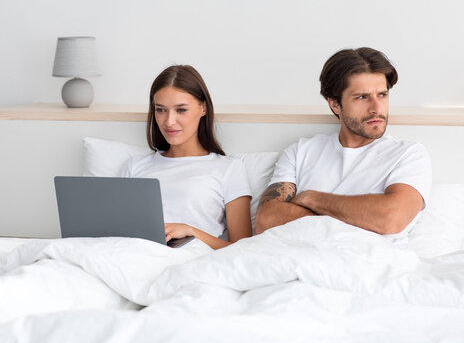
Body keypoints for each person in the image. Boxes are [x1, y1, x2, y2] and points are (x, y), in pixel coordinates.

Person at [255, 47, 431, 244]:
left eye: (382, 95)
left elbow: (391, 218)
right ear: (335, 104)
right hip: (299, 262)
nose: (376, 108)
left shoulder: (408, 155)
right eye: (362, 97)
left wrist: (312, 199)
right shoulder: (300, 152)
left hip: (371, 265)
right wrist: (363, 219)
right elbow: (266, 219)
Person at [122, 65, 252, 249]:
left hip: (193, 260)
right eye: (160, 110)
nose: (169, 121)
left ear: (203, 108)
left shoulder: (228, 169)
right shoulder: (134, 166)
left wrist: (192, 232)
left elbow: (244, 249)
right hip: (132, 256)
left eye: (181, 110)